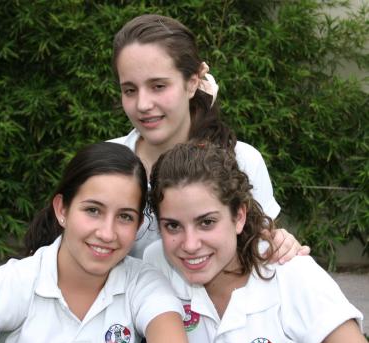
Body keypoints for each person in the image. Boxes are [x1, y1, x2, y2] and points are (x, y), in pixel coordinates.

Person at [109, 13, 309, 260]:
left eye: (158, 86)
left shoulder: (242, 160)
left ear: (192, 82)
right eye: (130, 90)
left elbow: (262, 251)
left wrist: (280, 244)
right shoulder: (106, 164)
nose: (143, 104)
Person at [0, 142, 189, 343]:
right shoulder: (18, 280)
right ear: (62, 209)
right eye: (93, 210)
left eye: (125, 216)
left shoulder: (143, 283)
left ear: (138, 226)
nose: (107, 233)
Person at [145, 141, 366, 343]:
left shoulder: (291, 272)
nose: (190, 245)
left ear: (239, 216)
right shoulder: (156, 265)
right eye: (172, 226)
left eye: (207, 222)